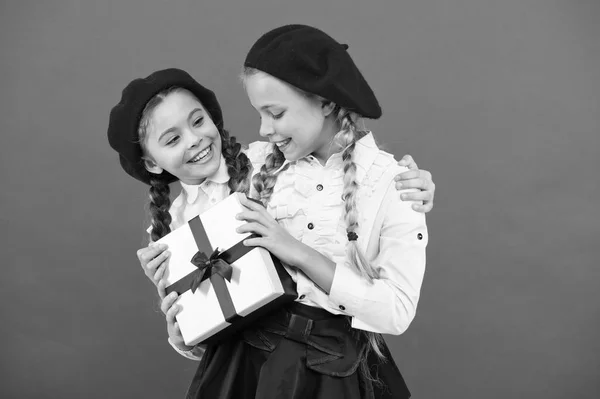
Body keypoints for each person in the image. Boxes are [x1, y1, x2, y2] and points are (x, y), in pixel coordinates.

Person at [107, 63, 432, 398]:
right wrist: (181, 337)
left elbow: (335, 168)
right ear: (151, 163)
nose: (195, 140)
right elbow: (211, 322)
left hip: (332, 356)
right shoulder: (168, 232)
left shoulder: (266, 162)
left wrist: (407, 183)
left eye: (199, 121)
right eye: (173, 139)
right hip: (245, 364)